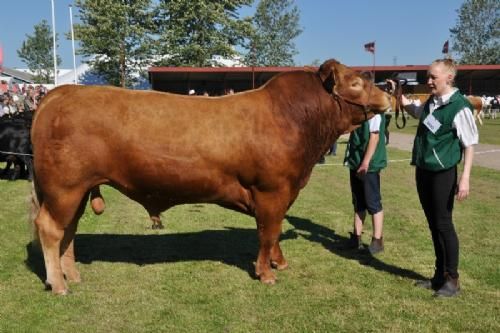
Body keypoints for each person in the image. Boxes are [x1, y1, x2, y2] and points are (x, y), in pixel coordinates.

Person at [391, 58, 478, 297]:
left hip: (443, 172)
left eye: (433, 77)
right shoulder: (432, 102)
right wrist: (400, 96)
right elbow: (418, 113)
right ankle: (439, 275)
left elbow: (469, 144)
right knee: (433, 224)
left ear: (448, 78)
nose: (428, 81)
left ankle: (453, 278)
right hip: (424, 169)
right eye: (428, 77)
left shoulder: (459, 106)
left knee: (443, 224)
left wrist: (466, 178)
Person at [344, 112, 387, 255]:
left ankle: (377, 240)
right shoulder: (358, 112)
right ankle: (356, 238)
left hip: (369, 165)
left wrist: (366, 162)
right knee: (358, 201)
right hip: (356, 161)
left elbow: (374, 137)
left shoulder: (374, 114)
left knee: (373, 202)